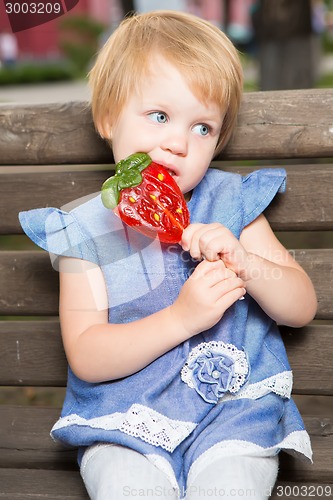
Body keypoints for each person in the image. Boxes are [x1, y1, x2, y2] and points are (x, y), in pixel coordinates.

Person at [19, 10, 317, 500]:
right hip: (125, 422)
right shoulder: (85, 231)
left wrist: (246, 260)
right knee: (127, 488)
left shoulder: (232, 207)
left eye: (202, 128)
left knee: (230, 489)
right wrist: (181, 319)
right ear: (108, 116)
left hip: (231, 416)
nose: (178, 143)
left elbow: (301, 307)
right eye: (159, 116)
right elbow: (89, 355)